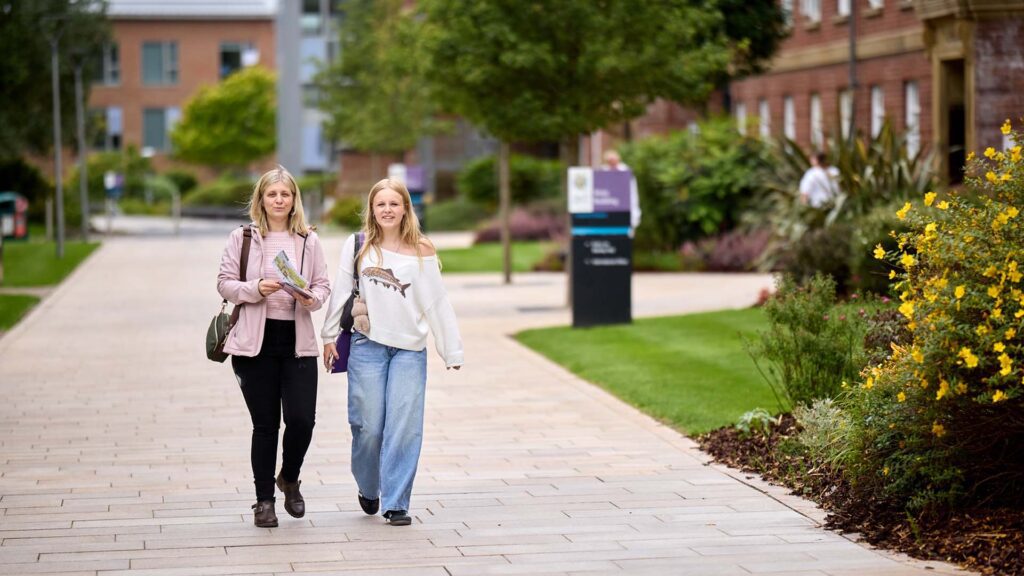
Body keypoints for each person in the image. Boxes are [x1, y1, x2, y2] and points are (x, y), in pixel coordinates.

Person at [321, 178, 463, 527]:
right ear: (372, 209)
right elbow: (341, 291)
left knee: (405, 426)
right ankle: (369, 486)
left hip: (409, 351)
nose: (387, 209)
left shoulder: (422, 250)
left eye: (394, 204)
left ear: (405, 209)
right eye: (380, 204)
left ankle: (396, 502)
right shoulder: (358, 246)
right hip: (367, 346)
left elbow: (436, 302)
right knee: (367, 426)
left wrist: (451, 349)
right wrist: (327, 337)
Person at [217, 167, 331, 528]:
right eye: (272, 194)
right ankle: (263, 501)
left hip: (296, 341)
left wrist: (311, 299)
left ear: (294, 199)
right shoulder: (243, 237)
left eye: (285, 194)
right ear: (261, 199)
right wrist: (255, 289)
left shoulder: (308, 241)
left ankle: (290, 477)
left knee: (302, 420)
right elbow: (224, 284)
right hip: (255, 343)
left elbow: (323, 285)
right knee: (265, 425)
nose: (279, 200)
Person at [601, 149, 642, 234]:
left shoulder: (626, 172)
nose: (612, 163)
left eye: (613, 161)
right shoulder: (603, 171)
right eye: (610, 161)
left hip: (624, 207)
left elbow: (633, 193)